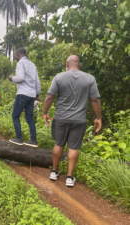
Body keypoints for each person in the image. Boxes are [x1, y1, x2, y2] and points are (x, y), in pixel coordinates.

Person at [43, 55, 102, 187]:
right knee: (73, 147)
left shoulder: (59, 77)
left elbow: (49, 97)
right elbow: (95, 100)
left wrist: (44, 113)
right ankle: (69, 177)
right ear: (79, 64)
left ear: (67, 64)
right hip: (79, 120)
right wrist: (98, 118)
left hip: (60, 118)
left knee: (58, 144)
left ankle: (54, 171)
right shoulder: (89, 78)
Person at [8, 48, 41, 147]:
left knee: (15, 115)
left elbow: (20, 78)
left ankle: (19, 138)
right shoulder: (32, 65)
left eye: (15, 56)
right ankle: (33, 140)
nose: (16, 58)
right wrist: (37, 95)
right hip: (31, 95)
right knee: (29, 117)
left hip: (23, 93)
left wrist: (12, 78)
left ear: (18, 55)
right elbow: (37, 82)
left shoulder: (20, 63)